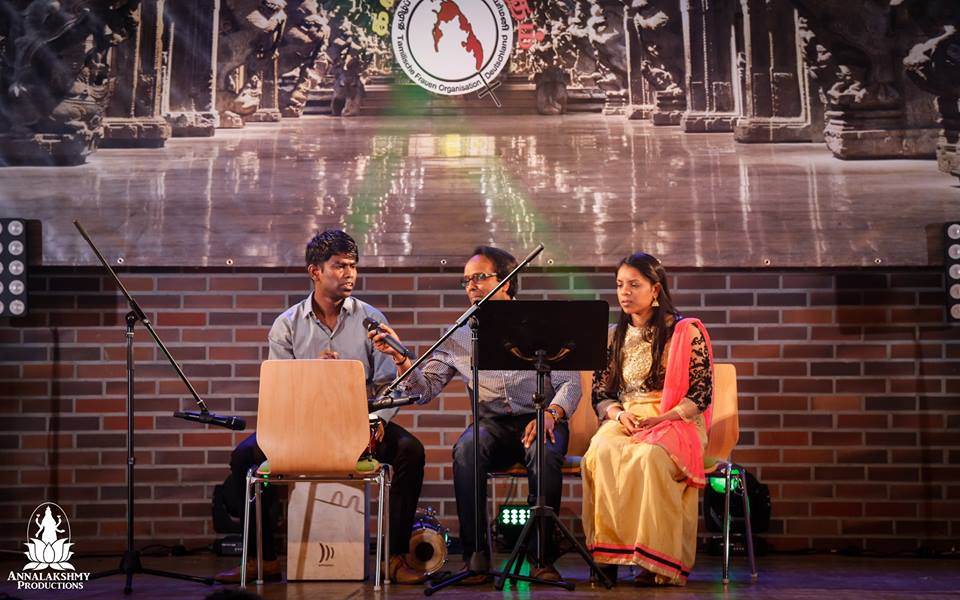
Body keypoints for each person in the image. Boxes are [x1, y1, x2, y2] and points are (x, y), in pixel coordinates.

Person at [215, 230, 427, 584]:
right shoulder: (287, 325)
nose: (349, 274)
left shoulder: (370, 319)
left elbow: (389, 384)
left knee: (411, 452)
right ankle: (262, 559)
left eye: (353, 266)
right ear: (315, 271)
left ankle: (394, 557)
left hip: (358, 424)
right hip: (301, 426)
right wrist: (316, 374)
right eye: (339, 266)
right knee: (243, 458)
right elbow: (280, 389)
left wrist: (378, 420)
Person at [369, 246, 581, 583]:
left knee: (542, 451)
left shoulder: (541, 324)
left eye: (480, 277)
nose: (471, 286)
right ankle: (476, 560)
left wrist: (552, 414)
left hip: (540, 417)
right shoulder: (460, 334)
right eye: (466, 280)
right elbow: (425, 389)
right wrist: (401, 358)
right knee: (467, 448)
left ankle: (541, 558)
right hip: (491, 425)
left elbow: (570, 382)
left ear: (506, 282)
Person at [581, 252, 714, 586]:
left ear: (655, 289)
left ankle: (654, 560)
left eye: (634, 285)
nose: (624, 292)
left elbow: (701, 395)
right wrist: (619, 414)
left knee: (649, 457)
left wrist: (662, 418)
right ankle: (608, 555)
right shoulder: (613, 336)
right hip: (628, 417)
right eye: (619, 285)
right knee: (600, 452)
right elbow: (601, 395)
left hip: (675, 420)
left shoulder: (684, 332)